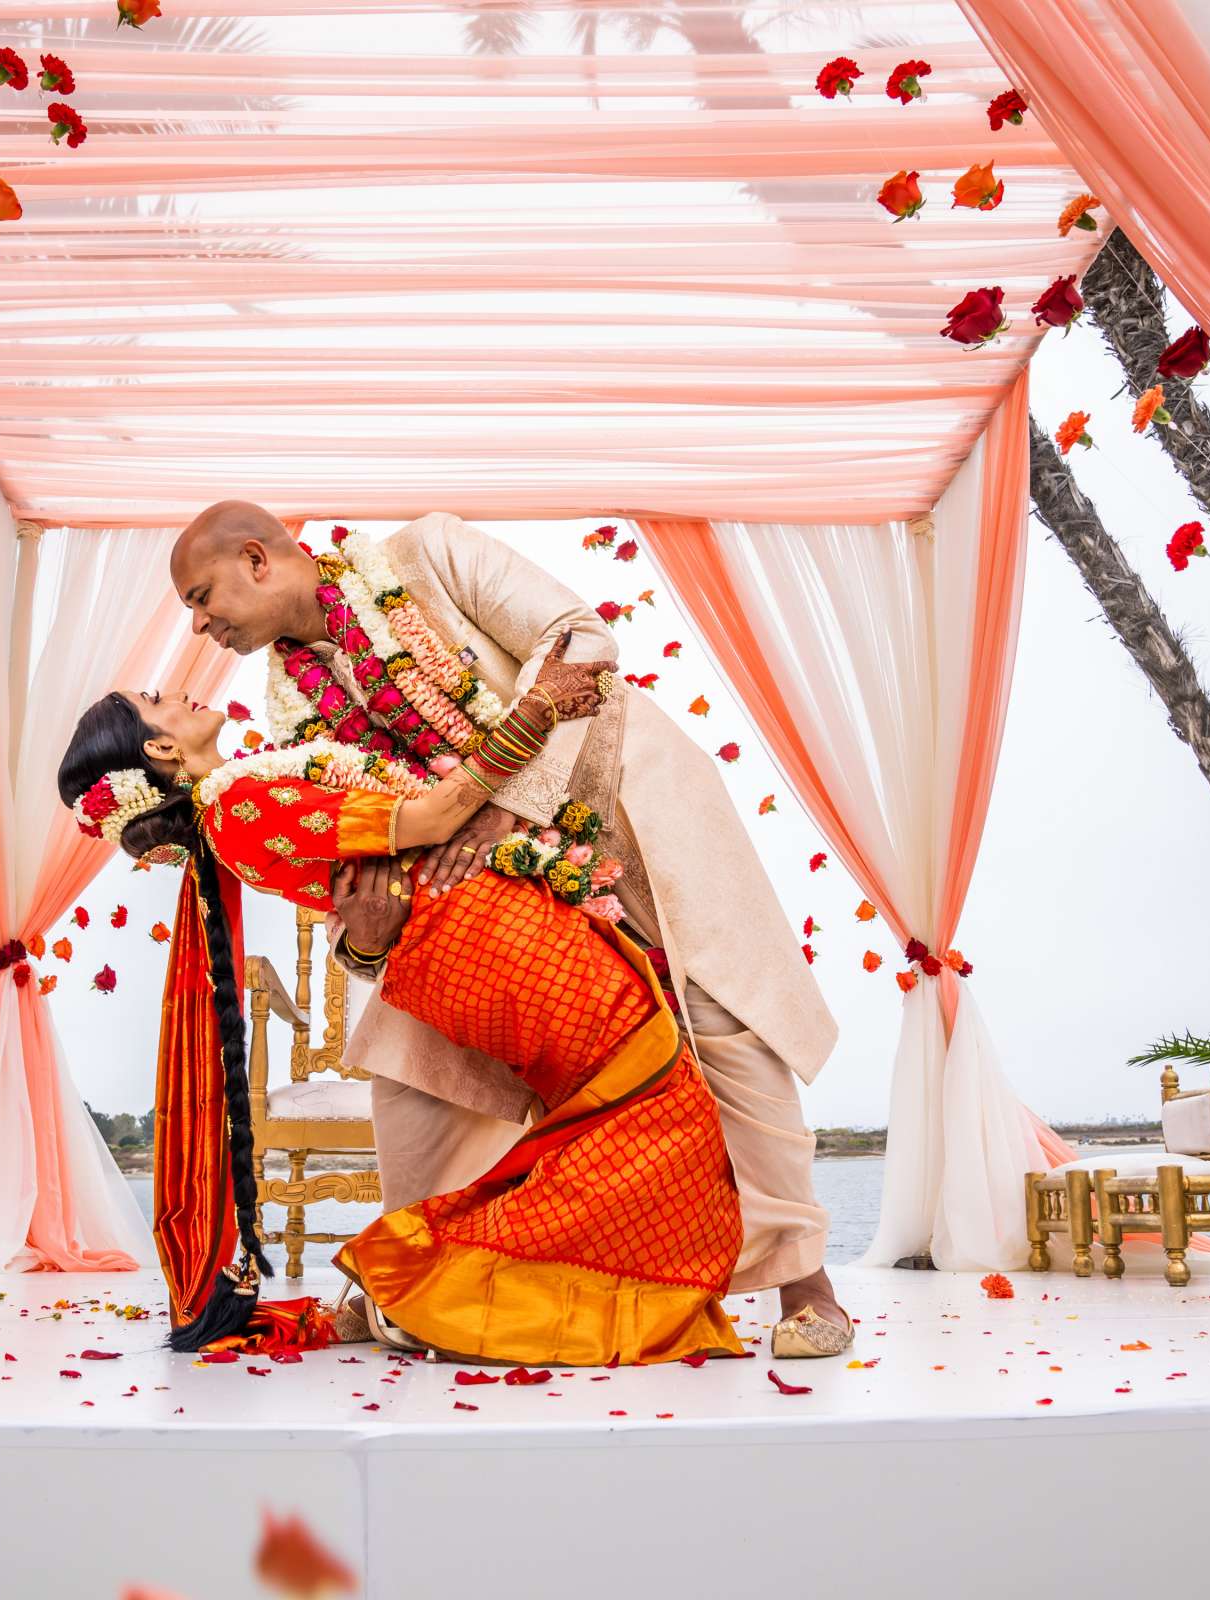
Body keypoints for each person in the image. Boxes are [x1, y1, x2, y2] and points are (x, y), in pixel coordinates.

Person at [166, 501, 852, 1357]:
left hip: (625, 799)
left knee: (722, 1023)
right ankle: (407, 1279)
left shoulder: (430, 553)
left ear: (259, 560)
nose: (200, 624)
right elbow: (357, 856)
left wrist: (505, 804)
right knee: (408, 1064)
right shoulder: (290, 714)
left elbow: (583, 644)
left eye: (202, 595)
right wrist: (369, 943)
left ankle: (806, 1286)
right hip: (495, 896)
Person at [57, 674, 747, 1367]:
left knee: (631, 1107)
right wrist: (535, 711)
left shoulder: (239, 807)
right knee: (660, 1106)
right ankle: (427, 1289)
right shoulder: (237, 806)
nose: (178, 693)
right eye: (156, 701)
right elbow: (432, 821)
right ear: (162, 745)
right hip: (483, 937)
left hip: (466, 945)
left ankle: (470, 1291)